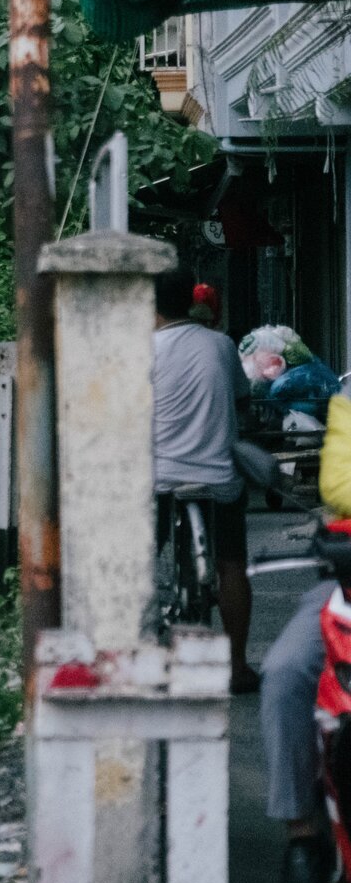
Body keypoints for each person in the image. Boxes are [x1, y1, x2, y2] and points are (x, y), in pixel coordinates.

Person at [261, 381, 351, 883]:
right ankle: (303, 831)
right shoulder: (347, 403)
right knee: (287, 672)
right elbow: (339, 485)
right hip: (344, 578)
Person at [153, 266, 255, 693]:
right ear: (191, 301)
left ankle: (136, 654)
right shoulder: (221, 344)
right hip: (219, 478)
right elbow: (243, 401)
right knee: (231, 564)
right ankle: (235, 666)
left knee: (137, 560)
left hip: (160, 479)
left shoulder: (141, 350)